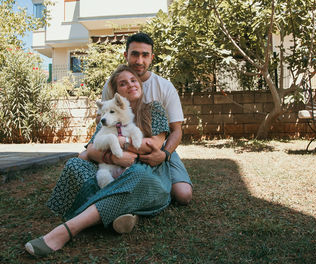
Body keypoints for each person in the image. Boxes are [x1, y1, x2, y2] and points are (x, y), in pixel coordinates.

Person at [25, 65, 174, 257]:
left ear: (140, 84)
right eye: (123, 83)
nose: (130, 85)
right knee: (74, 164)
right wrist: (113, 157)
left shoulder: (154, 108)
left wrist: (122, 142)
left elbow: (153, 146)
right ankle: (121, 212)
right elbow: (88, 152)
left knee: (136, 174)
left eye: (133, 80)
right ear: (116, 92)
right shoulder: (107, 114)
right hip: (114, 173)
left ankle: (67, 230)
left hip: (147, 177)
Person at [79, 32, 192, 205]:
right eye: (135, 54)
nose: (140, 61)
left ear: (152, 57)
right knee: (83, 157)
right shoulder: (112, 85)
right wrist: (112, 155)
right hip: (119, 140)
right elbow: (101, 123)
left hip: (156, 145)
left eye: (145, 55)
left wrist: (165, 154)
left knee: (183, 195)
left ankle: (145, 195)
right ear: (126, 55)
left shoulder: (164, 87)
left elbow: (176, 130)